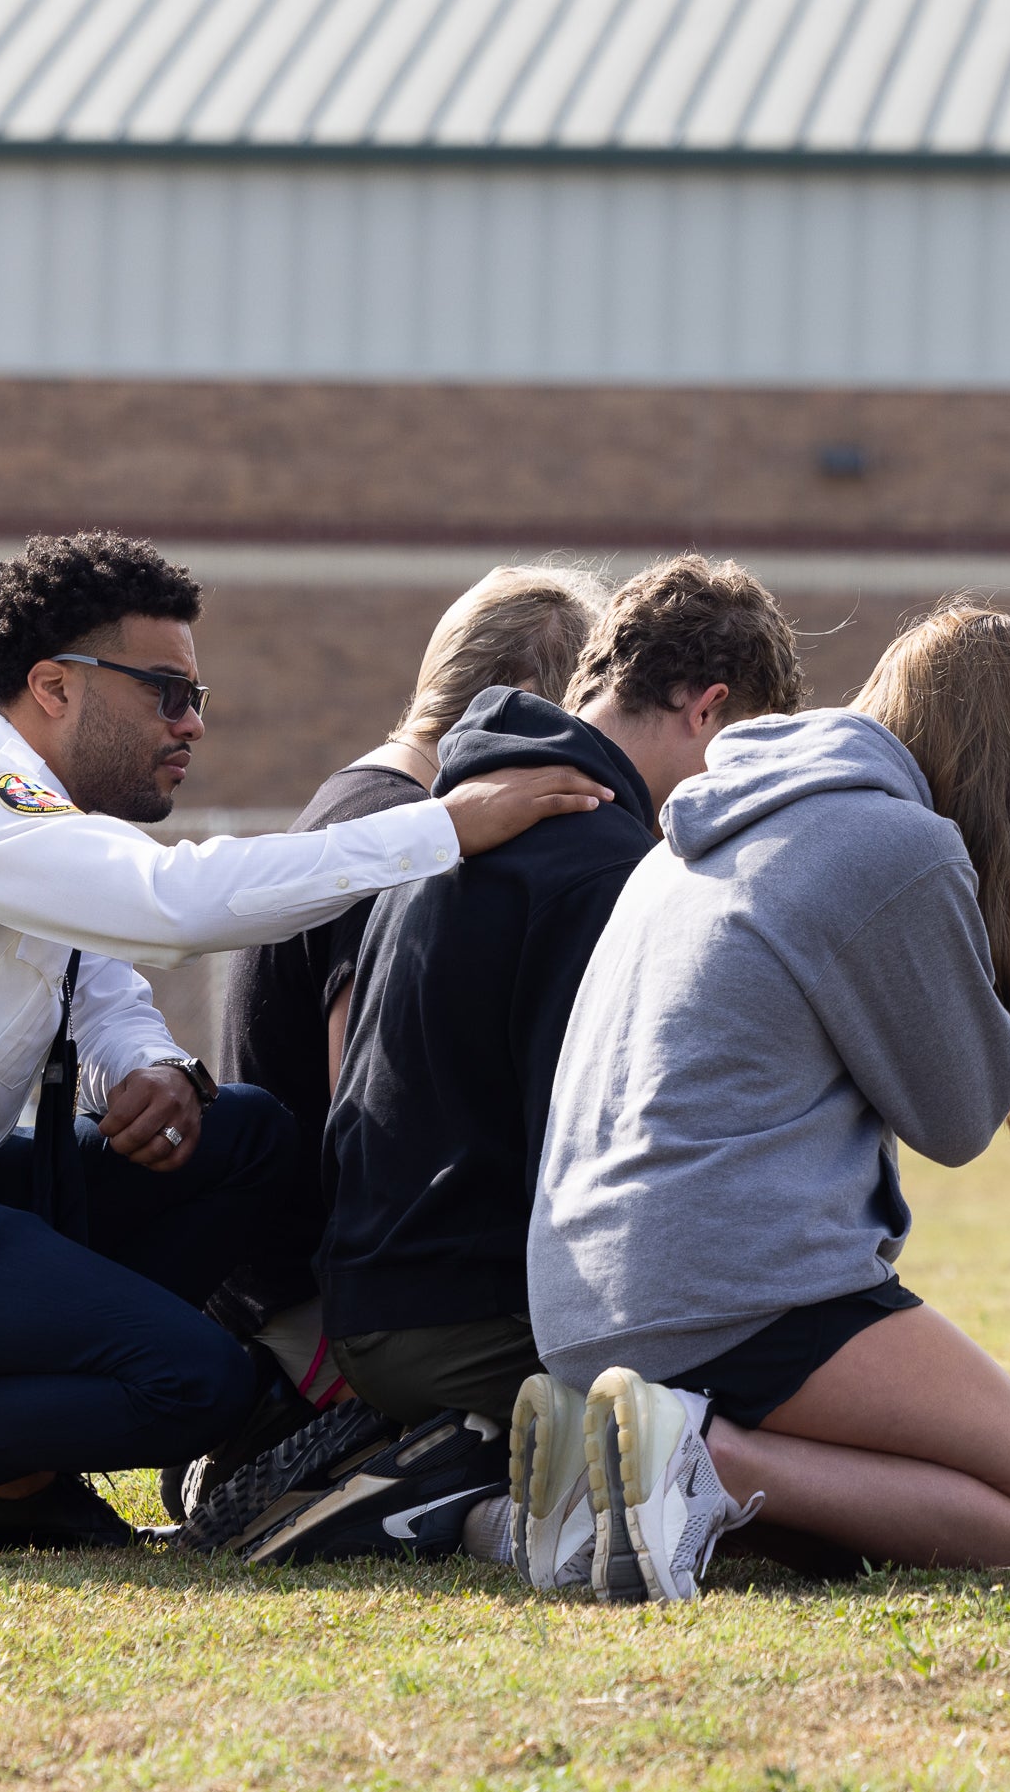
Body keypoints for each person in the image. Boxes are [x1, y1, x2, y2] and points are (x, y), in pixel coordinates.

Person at [0, 532, 610, 1565]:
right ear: (54, 688)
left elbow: (105, 981)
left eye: (195, 694)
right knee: (194, 1384)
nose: (193, 722)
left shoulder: (38, 822)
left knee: (245, 1136)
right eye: (166, 691)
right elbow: (168, 904)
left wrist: (147, 1067)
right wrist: (440, 829)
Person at [513, 601, 1010, 1600]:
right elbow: (959, 1116)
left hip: (582, 1308)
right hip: (728, 1291)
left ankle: (608, 1485)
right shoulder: (889, 841)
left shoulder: (694, 830)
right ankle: (705, 1460)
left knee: (891, 1506)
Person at [321, 555, 805, 1439]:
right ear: (707, 709)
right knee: (774, 1412)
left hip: (375, 1295)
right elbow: (596, 1162)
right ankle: (445, 1486)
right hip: (463, 1320)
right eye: (743, 750)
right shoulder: (601, 861)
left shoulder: (463, 808)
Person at [209, 563, 606, 1399]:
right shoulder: (395, 834)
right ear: (521, 696)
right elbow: (373, 1117)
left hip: (285, 1273)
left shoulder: (361, 798)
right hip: (314, 1300)